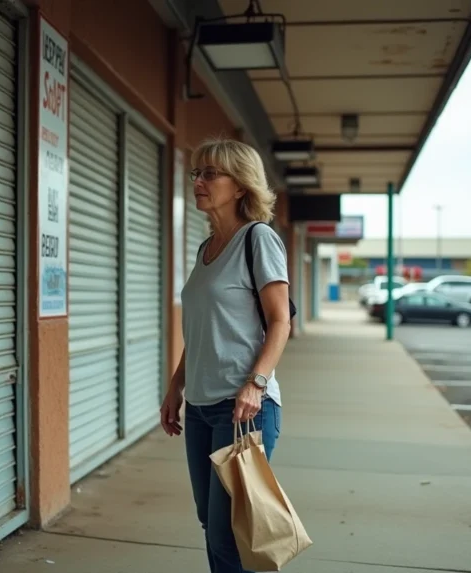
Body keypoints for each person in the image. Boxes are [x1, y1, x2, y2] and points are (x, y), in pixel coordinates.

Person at [160, 138, 291, 572]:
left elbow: (280, 322)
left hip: (243, 410)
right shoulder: (205, 250)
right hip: (199, 408)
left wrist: (256, 384)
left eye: (210, 174)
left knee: (228, 534)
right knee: (212, 525)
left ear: (239, 186)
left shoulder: (259, 239)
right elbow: (200, 333)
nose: (198, 181)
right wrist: (175, 388)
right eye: (196, 173)